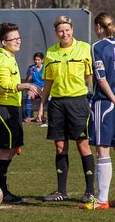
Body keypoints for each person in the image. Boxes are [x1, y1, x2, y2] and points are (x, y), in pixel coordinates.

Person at [41, 14, 96, 203]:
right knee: (60, 146)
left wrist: (93, 99)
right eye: (60, 31)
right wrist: (41, 106)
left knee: (83, 145)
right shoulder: (51, 53)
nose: (64, 34)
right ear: (56, 33)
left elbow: (90, 78)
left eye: (67, 30)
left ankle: (89, 191)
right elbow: (48, 82)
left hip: (78, 102)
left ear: (72, 30)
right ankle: (61, 191)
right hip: (57, 104)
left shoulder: (84, 49)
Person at [0, 22, 41, 205]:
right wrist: (25, 85)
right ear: (4, 42)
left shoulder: (10, 57)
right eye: (14, 39)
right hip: (4, 109)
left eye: (19, 38)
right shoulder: (2, 59)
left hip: (13, 107)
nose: (18, 41)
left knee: (11, 148)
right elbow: (4, 84)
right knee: (5, 149)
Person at [86, 13, 115, 210]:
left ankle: (102, 199)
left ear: (98, 26)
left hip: (105, 103)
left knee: (102, 148)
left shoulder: (98, 47)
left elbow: (101, 78)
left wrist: (113, 98)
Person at [25, 52, 45, 123]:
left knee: (45, 97)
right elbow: (27, 81)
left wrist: (43, 88)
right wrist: (30, 74)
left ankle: (41, 116)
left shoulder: (45, 68)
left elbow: (48, 80)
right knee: (29, 96)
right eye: (35, 60)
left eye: (38, 60)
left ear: (42, 60)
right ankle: (28, 116)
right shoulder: (31, 68)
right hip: (34, 88)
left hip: (43, 88)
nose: (36, 61)